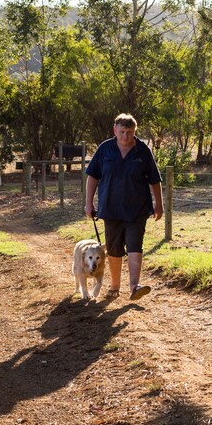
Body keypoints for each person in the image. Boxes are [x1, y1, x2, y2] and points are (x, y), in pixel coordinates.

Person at [84, 113, 163, 301]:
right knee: (114, 249)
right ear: (115, 130)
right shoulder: (105, 149)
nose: (125, 136)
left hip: (138, 208)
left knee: (136, 245)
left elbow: (154, 179)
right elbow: (93, 177)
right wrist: (89, 203)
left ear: (135, 131)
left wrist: (159, 204)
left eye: (129, 132)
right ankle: (114, 286)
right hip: (110, 208)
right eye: (122, 132)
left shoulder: (143, 151)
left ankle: (135, 286)